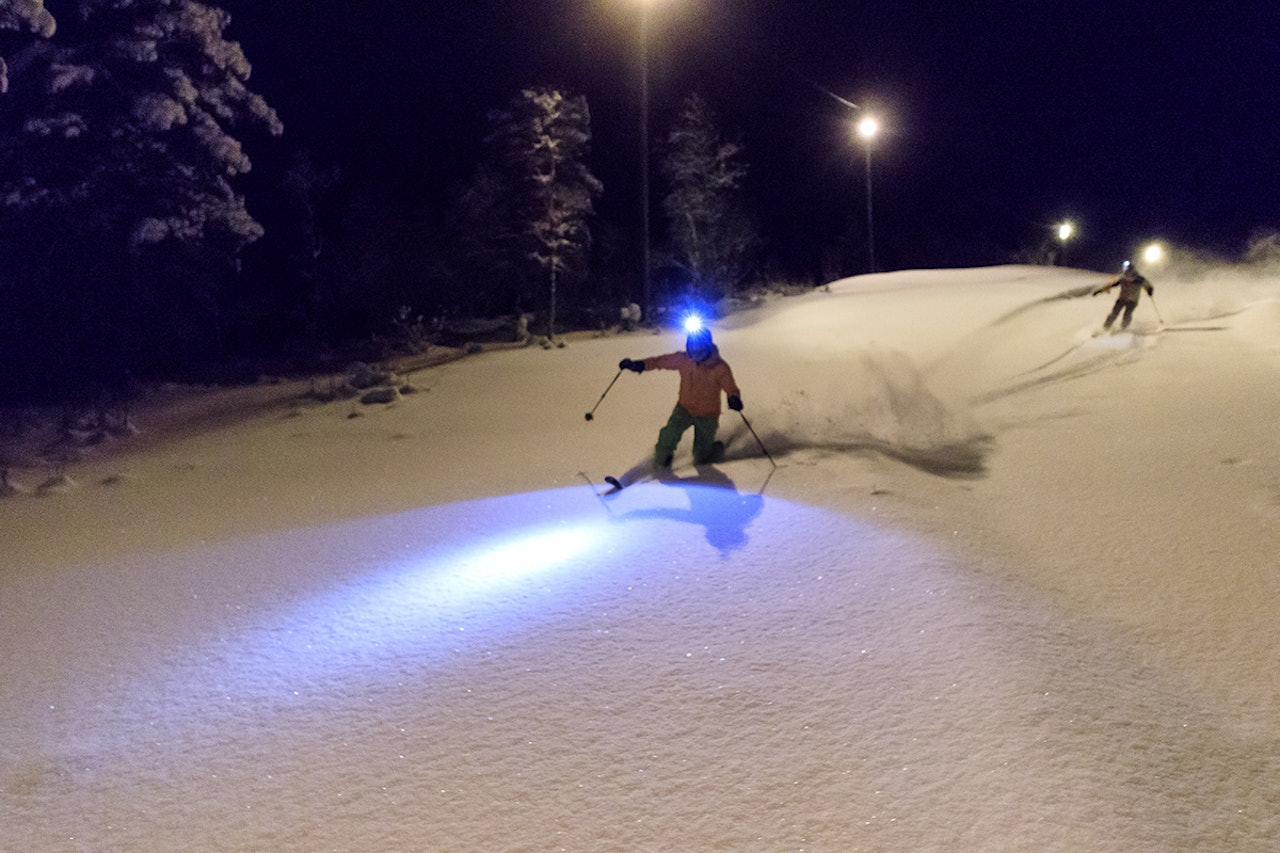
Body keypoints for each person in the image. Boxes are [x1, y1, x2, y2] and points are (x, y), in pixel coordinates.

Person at [620, 324, 742, 468]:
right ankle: (662, 463)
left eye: (700, 348)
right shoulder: (683, 359)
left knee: (701, 455)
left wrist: (733, 397)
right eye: (692, 348)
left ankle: (714, 449)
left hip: (707, 414)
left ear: (707, 347)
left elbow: (730, 387)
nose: (696, 353)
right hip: (684, 408)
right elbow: (660, 361)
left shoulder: (719, 367)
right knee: (668, 435)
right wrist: (639, 365)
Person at [1093, 261, 1154, 331]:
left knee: (1127, 315)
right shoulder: (1122, 279)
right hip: (1122, 299)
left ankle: (1124, 328)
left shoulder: (1139, 279)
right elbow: (1110, 285)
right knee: (1114, 313)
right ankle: (1106, 327)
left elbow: (1148, 285)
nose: (1128, 275)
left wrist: (1150, 290)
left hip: (1132, 301)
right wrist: (1100, 291)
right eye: (1126, 272)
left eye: (1129, 272)